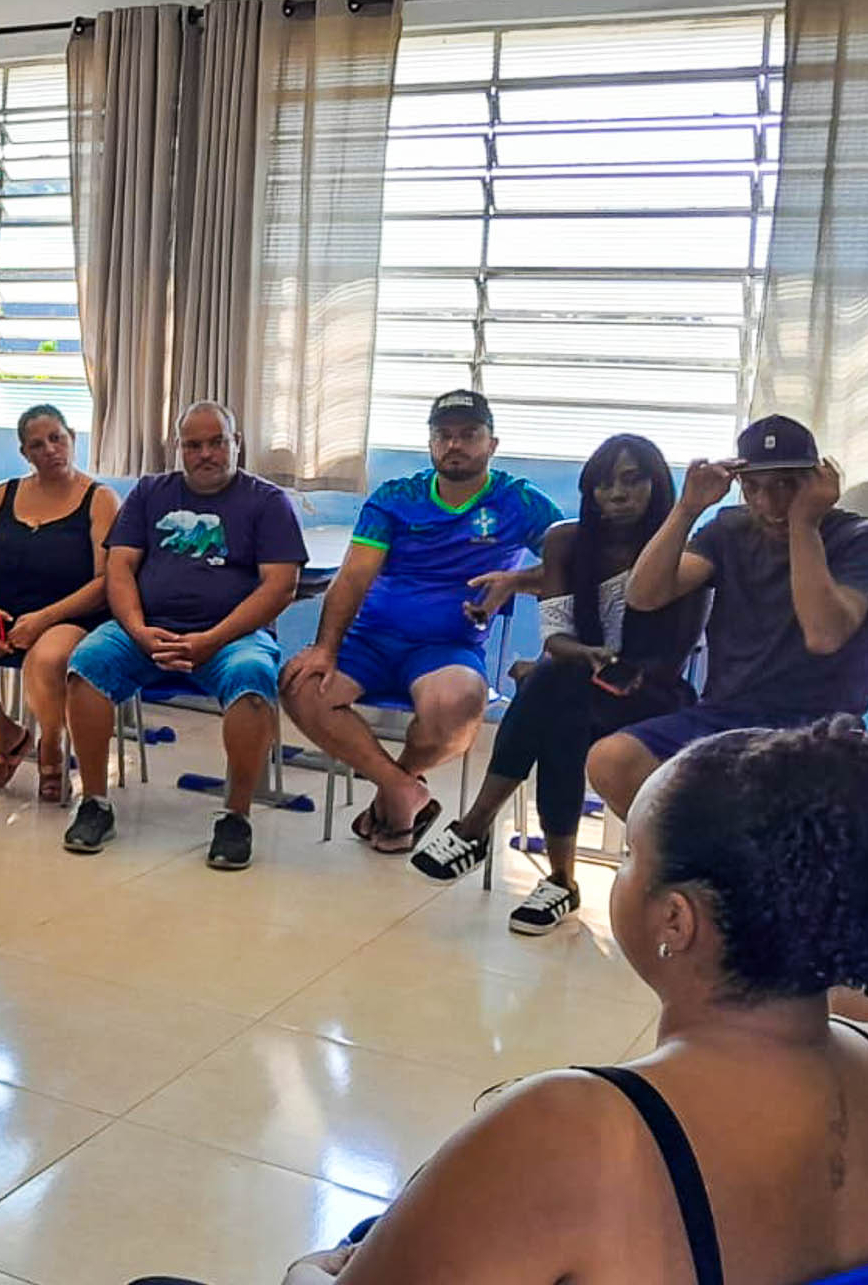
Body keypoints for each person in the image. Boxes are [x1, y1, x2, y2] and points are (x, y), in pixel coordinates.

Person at [71, 718, 868, 1285]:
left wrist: (310, 1276)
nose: (618, 875)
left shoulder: (588, 1130)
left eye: (627, 857)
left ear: (675, 920)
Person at [413, 437, 708, 935]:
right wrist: (584, 660)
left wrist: (582, 666)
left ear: (658, 485)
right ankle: (556, 880)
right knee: (558, 702)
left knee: (548, 689)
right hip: (579, 682)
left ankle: (482, 830)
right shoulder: (566, 542)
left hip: (650, 698)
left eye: (632, 479)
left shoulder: (683, 551)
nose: (615, 493)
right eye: (603, 483)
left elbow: (668, 658)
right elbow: (557, 634)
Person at [281, 390, 562, 853]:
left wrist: (516, 580)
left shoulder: (519, 502)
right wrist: (325, 648)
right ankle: (403, 790)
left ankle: (395, 793)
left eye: (468, 435)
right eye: (443, 435)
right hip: (368, 642)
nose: (455, 445)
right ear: (430, 443)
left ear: (492, 444)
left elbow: (572, 562)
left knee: (457, 705)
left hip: (446, 649)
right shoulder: (396, 498)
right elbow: (352, 578)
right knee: (299, 683)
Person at [587, 415, 868, 823]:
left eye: (785, 485)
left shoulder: (855, 539)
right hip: (726, 714)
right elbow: (644, 596)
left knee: (778, 813)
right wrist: (688, 508)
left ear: (813, 482)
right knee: (612, 760)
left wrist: (804, 524)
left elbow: (824, 634)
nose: (769, 504)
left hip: (822, 725)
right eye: (754, 487)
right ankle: (703, 866)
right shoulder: (729, 530)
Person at [63, 401, 306, 870]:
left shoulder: (267, 501)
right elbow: (119, 568)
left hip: (233, 637)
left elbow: (281, 586)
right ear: (179, 449)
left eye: (218, 442)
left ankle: (236, 816)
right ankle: (94, 802)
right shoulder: (151, 492)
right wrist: (137, 629)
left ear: (237, 445)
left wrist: (212, 639)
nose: (206, 454)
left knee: (254, 678)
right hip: (146, 629)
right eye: (193, 445)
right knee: (85, 665)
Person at [0, 405, 116, 803]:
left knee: (46, 660)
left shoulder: (99, 499)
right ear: (25, 453)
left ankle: (51, 744)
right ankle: (7, 735)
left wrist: (44, 619)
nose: (50, 449)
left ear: (72, 437)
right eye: (37, 444)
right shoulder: (2, 494)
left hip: (70, 614)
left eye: (57, 438)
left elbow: (106, 581)